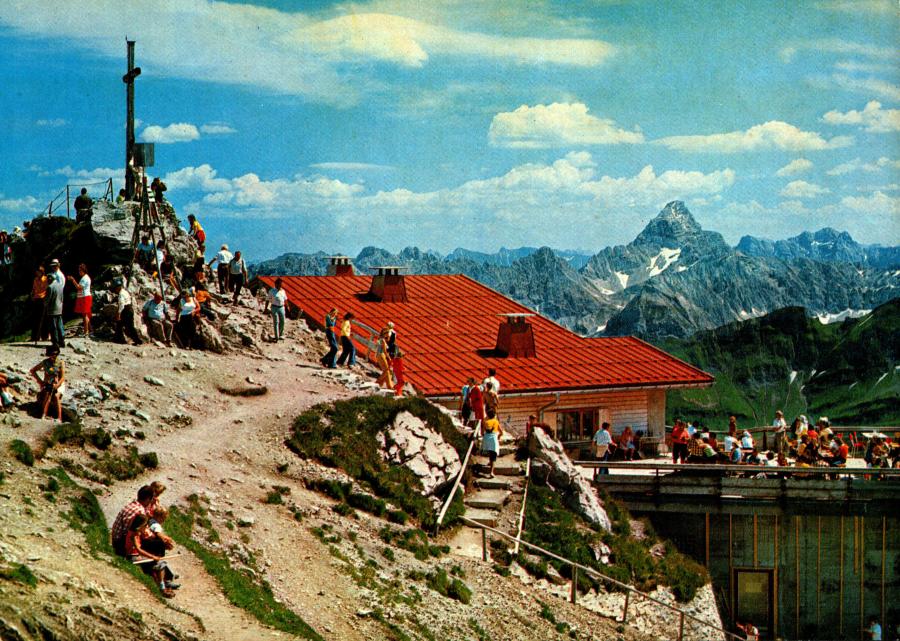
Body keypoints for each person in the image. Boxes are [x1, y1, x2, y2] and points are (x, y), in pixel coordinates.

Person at [126, 514, 176, 598]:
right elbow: (139, 550)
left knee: (159, 561)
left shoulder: (137, 533)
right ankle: (162, 588)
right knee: (158, 563)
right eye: (145, 525)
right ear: (140, 526)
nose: (146, 527)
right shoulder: (133, 535)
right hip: (133, 557)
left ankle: (163, 584)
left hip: (137, 555)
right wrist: (152, 557)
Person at [111, 486, 155, 556]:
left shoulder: (131, 505)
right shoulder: (140, 511)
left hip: (115, 540)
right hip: (122, 544)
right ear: (148, 499)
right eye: (151, 499)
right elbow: (142, 532)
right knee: (154, 542)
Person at [29, 345, 65, 421]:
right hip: (48, 382)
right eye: (52, 354)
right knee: (47, 395)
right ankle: (44, 414)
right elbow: (33, 370)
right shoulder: (45, 362)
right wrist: (40, 381)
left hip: (58, 383)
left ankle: (59, 418)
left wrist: (57, 385)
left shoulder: (60, 363)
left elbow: (62, 377)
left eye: (56, 354)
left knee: (56, 396)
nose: (54, 356)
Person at [113, 278, 143, 345]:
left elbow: (122, 305)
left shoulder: (121, 295)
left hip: (126, 310)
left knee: (129, 327)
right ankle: (118, 338)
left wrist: (118, 314)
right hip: (129, 308)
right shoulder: (125, 291)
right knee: (120, 324)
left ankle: (137, 340)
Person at [44, 259, 66, 348]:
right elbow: (61, 295)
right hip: (59, 306)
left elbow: (49, 298)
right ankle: (62, 340)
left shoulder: (51, 286)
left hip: (53, 308)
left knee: (53, 326)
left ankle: (55, 342)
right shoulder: (59, 284)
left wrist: (45, 303)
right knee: (59, 324)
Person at [66, 263, 92, 337]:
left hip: (85, 297)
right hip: (84, 297)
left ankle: (86, 332)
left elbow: (79, 287)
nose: (79, 272)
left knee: (85, 315)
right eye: (79, 270)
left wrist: (73, 280)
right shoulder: (84, 277)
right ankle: (90, 330)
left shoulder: (85, 278)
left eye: (80, 270)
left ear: (84, 270)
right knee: (85, 314)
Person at [480, 408, 503, 478]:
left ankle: (490, 462)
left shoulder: (485, 422)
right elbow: (501, 432)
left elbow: (482, 433)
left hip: (486, 439)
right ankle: (491, 472)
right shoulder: (496, 421)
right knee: (493, 455)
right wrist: (499, 436)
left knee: (490, 452)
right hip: (493, 439)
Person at [30, 266, 48, 343]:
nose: (37, 273)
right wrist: (32, 295)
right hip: (36, 299)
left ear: (42, 272)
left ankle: (44, 336)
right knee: (35, 318)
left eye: (39, 272)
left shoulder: (46, 279)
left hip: (43, 299)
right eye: (37, 272)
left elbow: (48, 289)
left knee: (43, 319)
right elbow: (34, 289)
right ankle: (35, 336)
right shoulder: (35, 279)